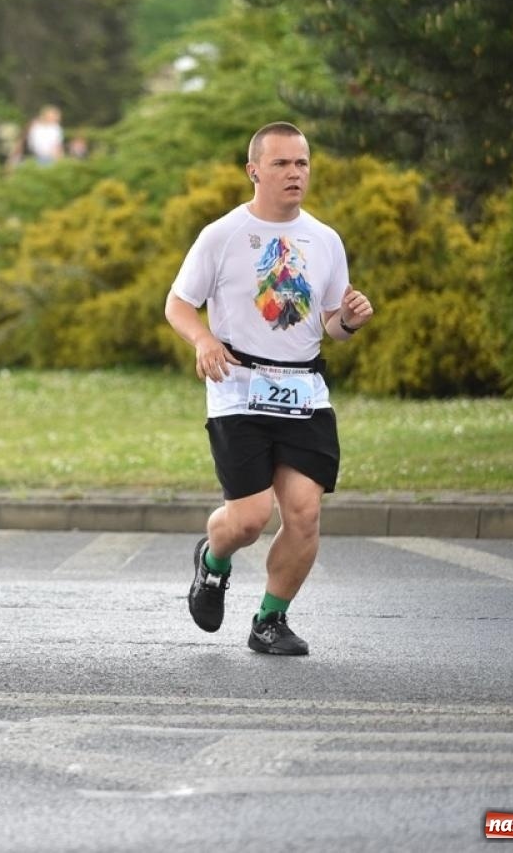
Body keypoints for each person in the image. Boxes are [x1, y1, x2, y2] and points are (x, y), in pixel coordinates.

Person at [164, 122, 374, 657]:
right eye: (281, 164)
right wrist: (203, 340)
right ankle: (212, 562)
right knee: (250, 519)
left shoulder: (325, 240)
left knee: (304, 512)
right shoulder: (223, 235)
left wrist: (348, 320)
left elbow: (329, 324)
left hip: (303, 388)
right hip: (239, 386)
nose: (294, 173)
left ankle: (270, 621)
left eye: (302, 163)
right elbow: (178, 304)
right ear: (254, 170)